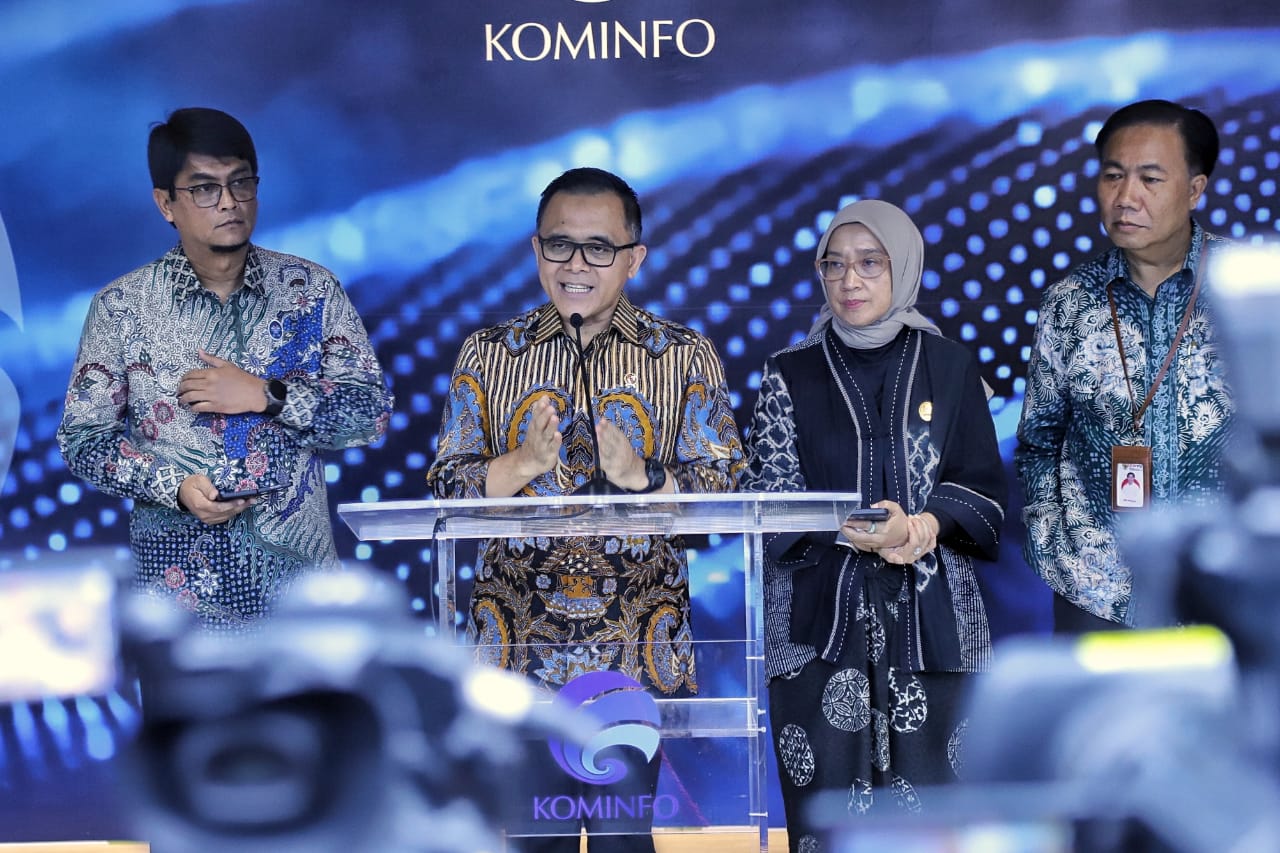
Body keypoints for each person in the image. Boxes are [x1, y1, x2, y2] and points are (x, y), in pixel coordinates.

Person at [426, 167, 744, 851]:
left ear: (635, 258)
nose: (576, 264)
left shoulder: (682, 355)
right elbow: (445, 487)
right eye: (559, 245)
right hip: (517, 655)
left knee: (622, 842)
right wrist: (519, 465)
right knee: (528, 841)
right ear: (535, 250)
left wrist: (642, 476)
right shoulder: (489, 352)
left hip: (631, 655)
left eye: (599, 247)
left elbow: (725, 486)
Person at [57, 107, 393, 633]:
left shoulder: (310, 291)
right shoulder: (122, 308)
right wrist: (173, 487)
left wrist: (268, 395)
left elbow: (371, 415)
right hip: (178, 606)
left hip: (301, 601)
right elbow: (82, 440)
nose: (230, 202)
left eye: (241, 182)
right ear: (165, 203)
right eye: (204, 189)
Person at [742, 199, 1006, 850]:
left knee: (940, 828)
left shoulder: (950, 367)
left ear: (904, 268)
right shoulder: (790, 372)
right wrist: (853, 528)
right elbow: (767, 496)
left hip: (937, 630)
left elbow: (982, 488)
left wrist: (920, 527)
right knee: (827, 826)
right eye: (834, 265)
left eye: (869, 263)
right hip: (815, 632)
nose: (849, 280)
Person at [1015, 99, 1233, 632]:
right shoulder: (1070, 303)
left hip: (1227, 591)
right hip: (1097, 596)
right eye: (1113, 176)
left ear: (1195, 189)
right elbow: (1038, 442)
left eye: (1150, 179)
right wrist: (1057, 551)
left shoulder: (1245, 292)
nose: (1126, 197)